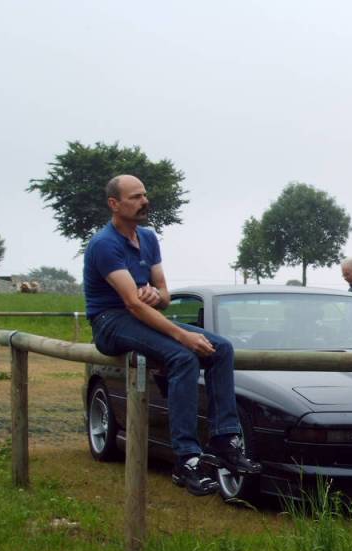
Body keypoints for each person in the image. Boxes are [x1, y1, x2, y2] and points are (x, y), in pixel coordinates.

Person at [83, 174, 260, 496]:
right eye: (135, 197)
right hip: (110, 321)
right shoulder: (104, 244)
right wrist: (181, 335)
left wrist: (156, 295)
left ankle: (225, 440)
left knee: (221, 348)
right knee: (182, 356)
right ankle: (187, 459)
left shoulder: (148, 238)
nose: (144, 201)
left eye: (144, 195)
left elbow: (164, 296)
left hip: (141, 315)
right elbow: (131, 304)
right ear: (114, 204)